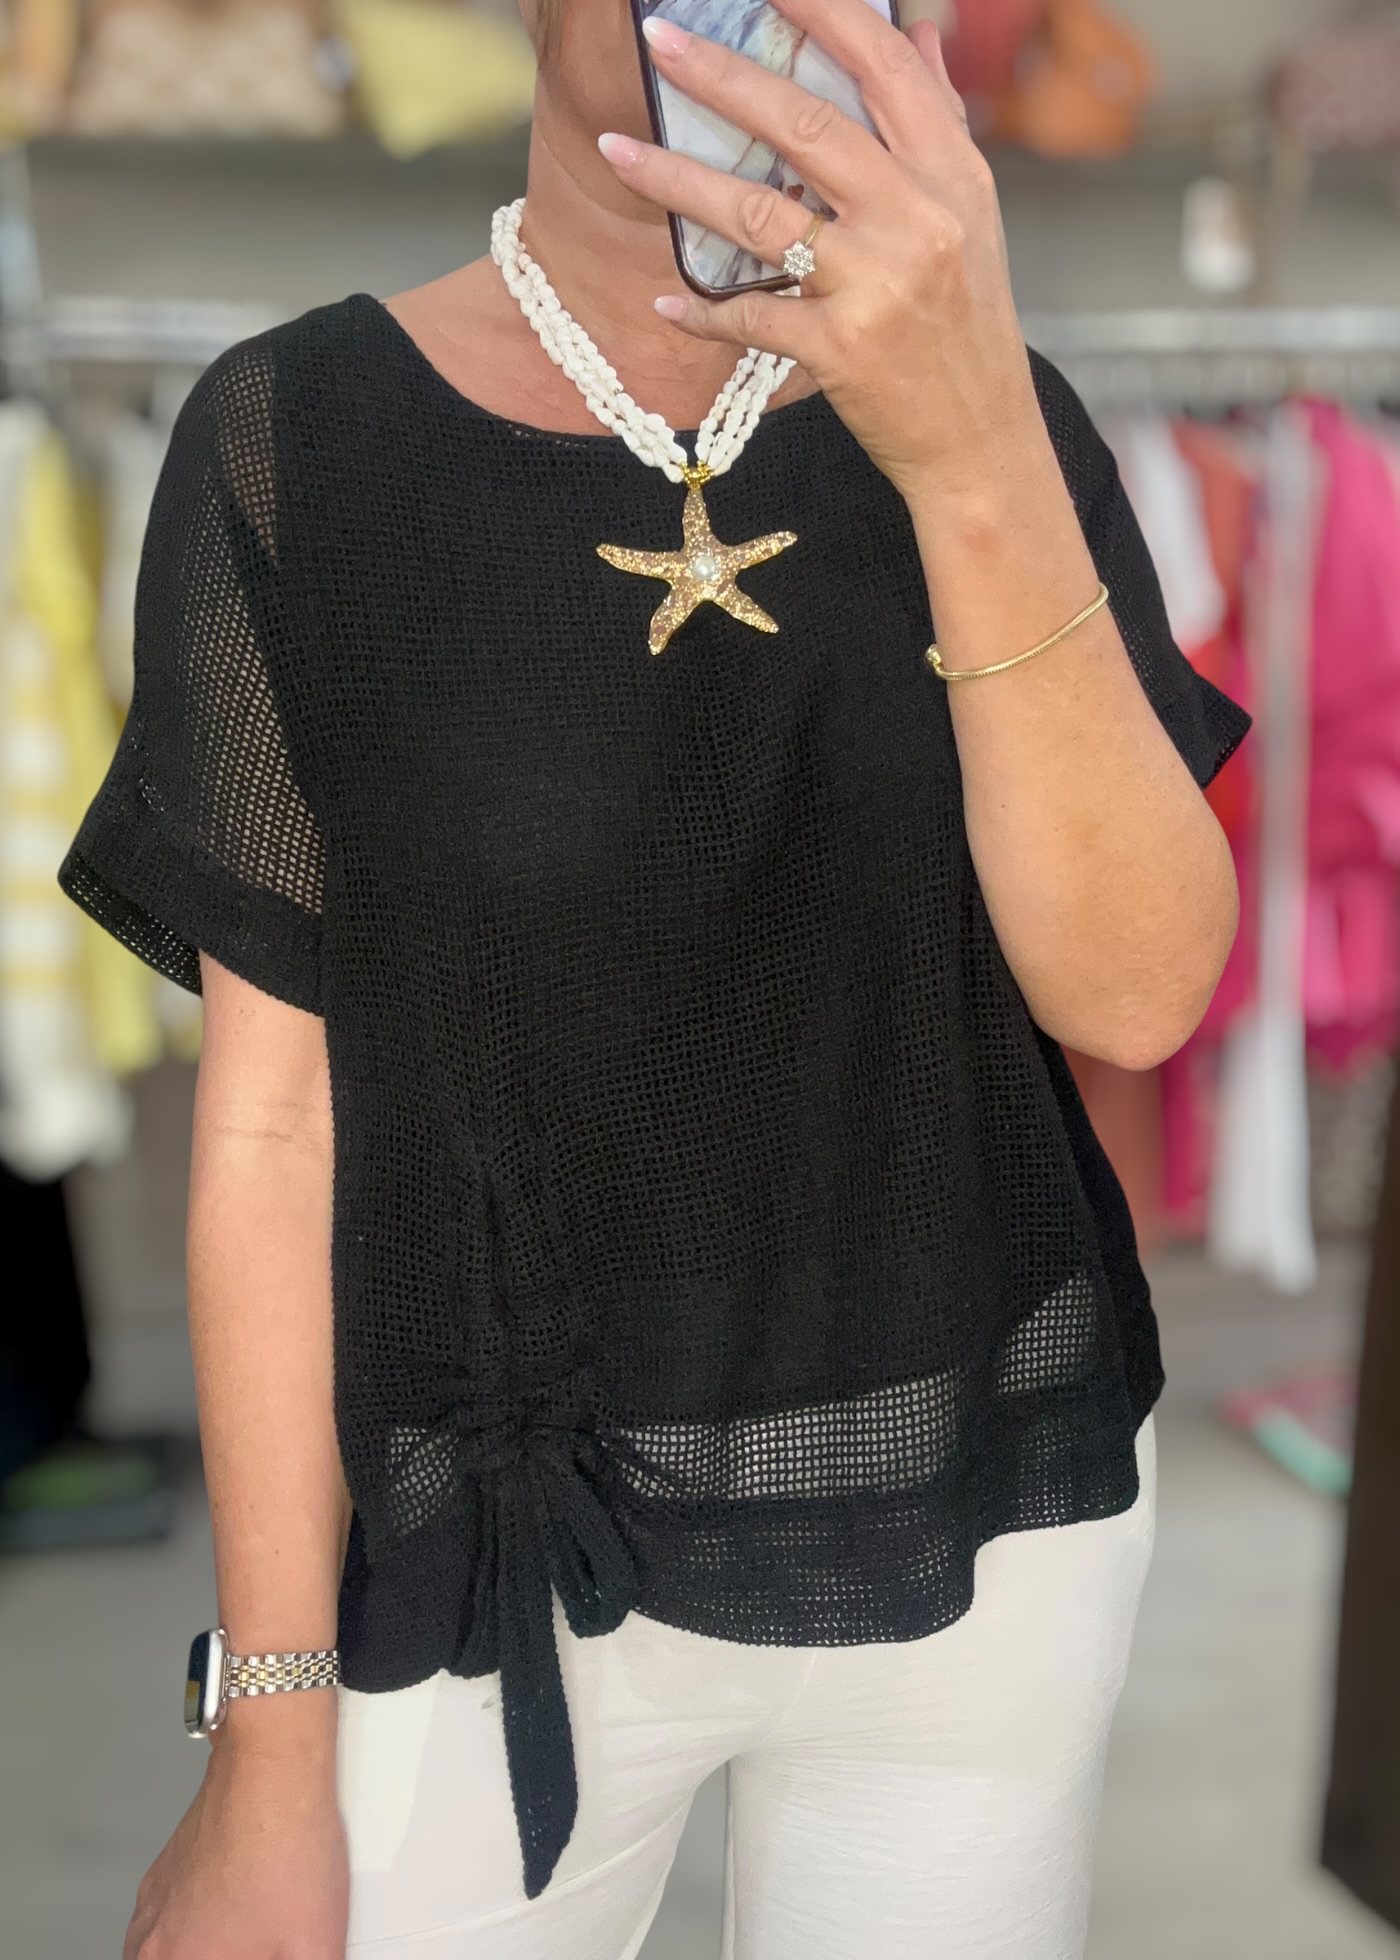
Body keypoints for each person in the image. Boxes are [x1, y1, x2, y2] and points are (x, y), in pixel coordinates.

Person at [63, 0, 1247, 1953]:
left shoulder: (1000, 421)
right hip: (493, 1552)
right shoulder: (298, 440)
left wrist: (964, 448)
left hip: (975, 1518)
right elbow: (275, 1129)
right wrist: (265, 1737)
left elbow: (1137, 993)